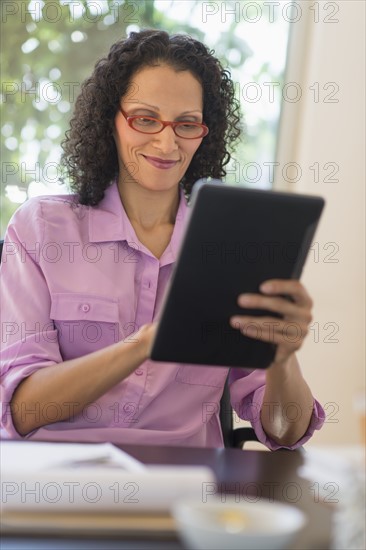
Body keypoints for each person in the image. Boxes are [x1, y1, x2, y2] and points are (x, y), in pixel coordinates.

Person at [0, 30, 324, 448]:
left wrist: (284, 362)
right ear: (110, 121)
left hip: (185, 484)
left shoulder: (233, 245)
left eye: (186, 124)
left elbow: (285, 431)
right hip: (57, 477)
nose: (167, 142)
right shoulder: (42, 229)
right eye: (146, 119)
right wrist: (147, 344)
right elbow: (22, 411)